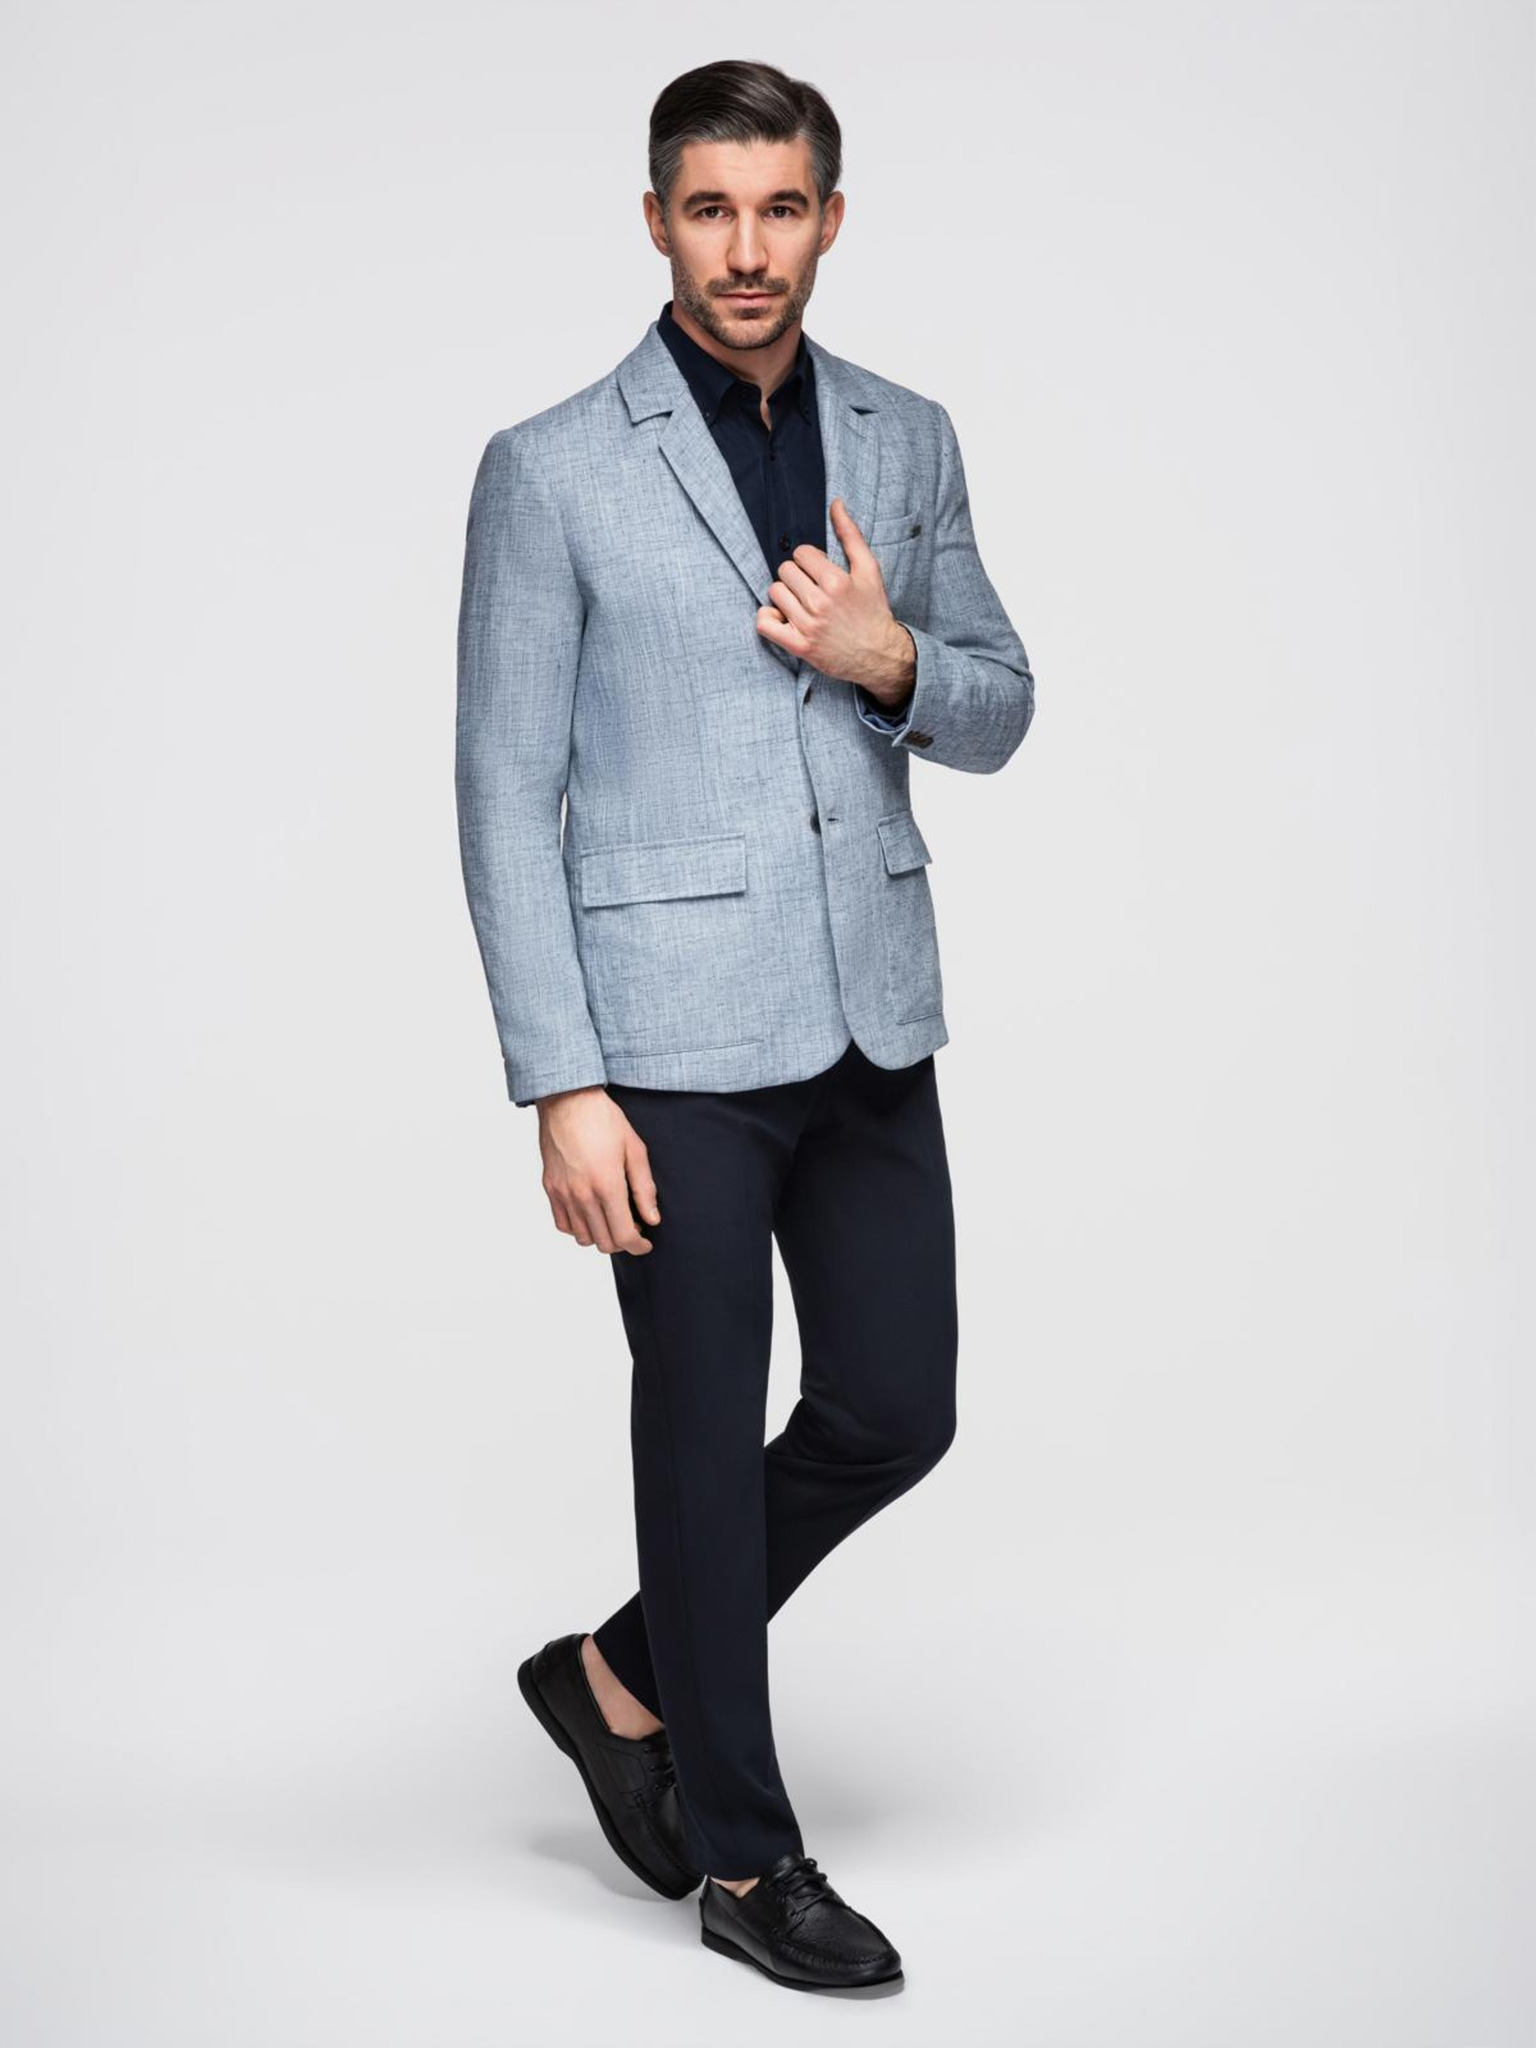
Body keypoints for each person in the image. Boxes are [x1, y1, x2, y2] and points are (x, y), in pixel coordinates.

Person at [455, 57, 1036, 1993]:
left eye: (780, 206)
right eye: (709, 208)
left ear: (830, 219)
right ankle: (744, 1857)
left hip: (869, 1015)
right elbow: (503, 792)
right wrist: (561, 1080)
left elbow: (1003, 702)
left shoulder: (907, 436)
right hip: (669, 1048)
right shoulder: (552, 466)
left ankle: (614, 1674)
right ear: (656, 223)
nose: (746, 247)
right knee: (700, 1440)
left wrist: (892, 660)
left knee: (896, 1406)